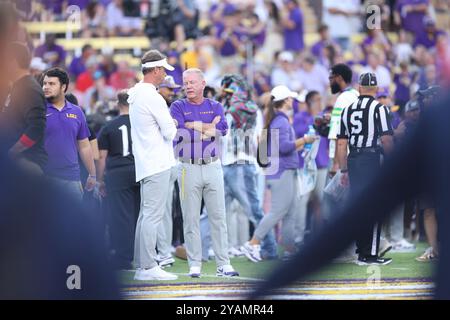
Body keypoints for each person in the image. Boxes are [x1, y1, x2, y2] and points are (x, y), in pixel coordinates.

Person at [170, 68, 239, 278]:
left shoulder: (215, 105)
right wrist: (207, 129)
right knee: (190, 217)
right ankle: (194, 263)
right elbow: (180, 134)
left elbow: (222, 131)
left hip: (212, 165)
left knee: (218, 216)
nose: (188, 86)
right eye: (185, 83)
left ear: (202, 84)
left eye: (192, 82)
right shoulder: (178, 106)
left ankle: (223, 263)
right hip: (187, 166)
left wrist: (195, 126)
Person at [240, 85, 316, 262]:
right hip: (282, 172)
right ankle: (252, 243)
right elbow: (285, 147)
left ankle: (288, 250)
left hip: (282, 171)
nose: (293, 101)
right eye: (291, 98)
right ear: (286, 101)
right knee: (278, 211)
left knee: (289, 211)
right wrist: (304, 140)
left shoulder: (278, 120)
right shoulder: (280, 121)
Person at [127, 49, 178, 281]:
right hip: (157, 162)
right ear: (155, 70)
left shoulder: (137, 94)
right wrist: (173, 121)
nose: (164, 76)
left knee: (145, 216)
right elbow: (170, 132)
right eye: (163, 71)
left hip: (147, 161)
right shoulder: (152, 96)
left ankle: (141, 264)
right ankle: (147, 266)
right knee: (152, 216)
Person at [336, 72, 394, 265]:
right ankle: (370, 255)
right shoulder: (380, 109)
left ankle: (361, 251)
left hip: (353, 159)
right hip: (371, 158)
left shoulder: (347, 110)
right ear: (376, 89)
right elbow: (386, 139)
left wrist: (344, 169)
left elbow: (341, 144)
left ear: (359, 88)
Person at [97, 90, 140, 270]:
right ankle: (142, 256)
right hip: (139, 171)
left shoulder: (109, 126)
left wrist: (100, 180)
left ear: (117, 104)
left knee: (121, 216)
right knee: (140, 216)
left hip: (117, 174)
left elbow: (102, 158)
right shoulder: (141, 125)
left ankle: (123, 257)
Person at [42, 67, 96, 201]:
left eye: (51, 84)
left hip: (71, 178)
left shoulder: (77, 112)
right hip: (44, 178)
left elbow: (84, 146)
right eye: (45, 83)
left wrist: (92, 174)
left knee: (73, 221)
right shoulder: (38, 109)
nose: (46, 87)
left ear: (63, 87)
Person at [0, 42, 47, 175]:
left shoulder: (28, 88)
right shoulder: (18, 86)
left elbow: (37, 127)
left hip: (25, 162)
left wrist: (12, 152)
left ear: (13, 62)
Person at [156, 75, 182, 268]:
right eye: (169, 89)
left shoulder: (168, 107)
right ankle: (163, 252)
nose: (172, 92)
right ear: (159, 88)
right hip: (161, 162)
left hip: (170, 162)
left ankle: (164, 251)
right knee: (160, 210)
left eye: (173, 89)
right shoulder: (158, 106)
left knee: (166, 210)